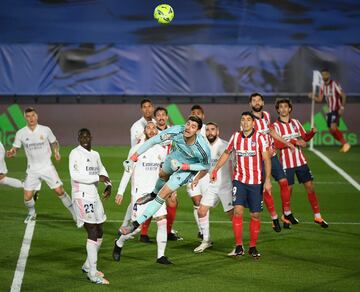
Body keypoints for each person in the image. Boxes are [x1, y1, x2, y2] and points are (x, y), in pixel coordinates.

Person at [117, 116, 211, 246]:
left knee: (164, 194)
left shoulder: (202, 148)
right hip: (174, 157)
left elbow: (205, 166)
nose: (188, 128)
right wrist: (132, 158)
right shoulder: (177, 130)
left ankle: (134, 225)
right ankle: (152, 194)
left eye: (193, 127)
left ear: (198, 131)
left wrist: (186, 167)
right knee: (162, 175)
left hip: (187, 169)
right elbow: (152, 141)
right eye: (188, 124)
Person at [211, 112, 271, 258]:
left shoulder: (260, 138)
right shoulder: (236, 136)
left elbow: (267, 159)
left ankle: (252, 247)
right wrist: (215, 169)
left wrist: (268, 180)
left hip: (256, 183)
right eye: (243, 120)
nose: (245, 122)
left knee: (255, 215)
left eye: (248, 120)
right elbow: (226, 153)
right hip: (240, 181)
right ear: (241, 123)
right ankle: (239, 246)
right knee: (237, 211)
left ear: (253, 123)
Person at [113, 121, 171, 264]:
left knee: (162, 221)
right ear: (144, 131)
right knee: (136, 228)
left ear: (157, 132)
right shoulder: (136, 149)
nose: (151, 130)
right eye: (148, 128)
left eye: (154, 128)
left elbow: (165, 173)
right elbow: (127, 172)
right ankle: (119, 243)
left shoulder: (162, 151)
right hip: (139, 195)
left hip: (156, 193)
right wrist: (120, 192)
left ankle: (160, 256)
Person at [7, 107, 75, 223]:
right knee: (27, 197)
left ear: (36, 116)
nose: (31, 118)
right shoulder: (21, 133)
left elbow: (54, 142)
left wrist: (56, 152)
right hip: (32, 170)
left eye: (33, 115)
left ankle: (75, 214)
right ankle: (32, 213)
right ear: (25, 118)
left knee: (60, 191)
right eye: (28, 116)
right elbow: (15, 148)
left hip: (47, 167)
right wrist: (12, 152)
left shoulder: (45, 130)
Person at [273, 98, 328, 228]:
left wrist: (312, 133)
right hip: (286, 164)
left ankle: (317, 216)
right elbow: (276, 144)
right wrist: (294, 142)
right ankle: (286, 216)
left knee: (310, 187)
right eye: (281, 107)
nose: (283, 109)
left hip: (301, 162)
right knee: (288, 192)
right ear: (278, 110)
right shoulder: (275, 126)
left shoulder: (296, 123)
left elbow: (304, 138)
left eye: (286, 107)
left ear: (290, 109)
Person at [249, 92, 297, 231]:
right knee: (267, 188)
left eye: (259, 100)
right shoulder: (248, 119)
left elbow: (271, 133)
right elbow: (248, 141)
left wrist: (286, 143)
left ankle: (287, 213)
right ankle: (274, 218)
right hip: (260, 160)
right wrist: (262, 151)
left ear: (263, 103)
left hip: (273, 156)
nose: (257, 102)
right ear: (250, 104)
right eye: (254, 100)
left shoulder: (267, 116)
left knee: (284, 182)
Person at [69, 128, 111, 285]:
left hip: (94, 197)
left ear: (91, 137)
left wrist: (108, 184)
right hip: (81, 197)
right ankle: (93, 274)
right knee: (92, 230)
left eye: (87, 136)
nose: (84, 138)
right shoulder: (75, 153)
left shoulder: (95, 154)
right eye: (81, 136)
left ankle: (87, 265)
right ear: (78, 138)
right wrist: (97, 177)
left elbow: (102, 170)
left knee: (100, 230)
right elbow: (75, 175)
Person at [193, 122, 234, 253]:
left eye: (213, 130)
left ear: (218, 131)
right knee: (201, 211)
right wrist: (197, 178)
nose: (210, 132)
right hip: (212, 187)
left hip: (226, 187)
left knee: (233, 216)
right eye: (208, 130)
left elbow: (236, 164)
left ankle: (239, 244)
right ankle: (206, 240)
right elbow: (206, 167)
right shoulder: (204, 148)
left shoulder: (226, 145)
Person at [125, 98, 156, 242]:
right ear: (141, 109)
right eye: (145, 107)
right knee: (135, 199)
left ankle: (133, 226)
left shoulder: (156, 123)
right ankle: (128, 226)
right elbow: (134, 149)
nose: (148, 109)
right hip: (139, 166)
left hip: (153, 165)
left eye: (150, 106)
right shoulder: (136, 126)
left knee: (151, 197)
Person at [154, 107, 182, 241]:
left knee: (172, 200)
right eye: (158, 115)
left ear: (166, 117)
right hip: (153, 170)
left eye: (163, 115)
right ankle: (143, 233)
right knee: (153, 198)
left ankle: (168, 231)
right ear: (155, 118)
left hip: (170, 170)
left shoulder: (174, 132)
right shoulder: (151, 131)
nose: (161, 117)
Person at [312, 68, 350, 153]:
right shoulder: (323, 86)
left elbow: (343, 95)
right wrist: (312, 96)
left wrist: (342, 108)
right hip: (329, 111)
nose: (324, 76)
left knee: (333, 127)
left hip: (336, 109)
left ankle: (345, 144)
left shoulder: (334, 84)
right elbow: (320, 99)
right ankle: (343, 143)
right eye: (323, 75)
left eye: (325, 74)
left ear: (328, 75)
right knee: (331, 131)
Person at [186, 104, 207, 239]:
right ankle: (202, 231)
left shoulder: (208, 130)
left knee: (204, 203)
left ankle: (204, 230)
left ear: (203, 116)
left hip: (205, 172)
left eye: (198, 113)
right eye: (194, 113)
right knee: (196, 201)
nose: (196, 115)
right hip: (191, 171)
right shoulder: (186, 130)